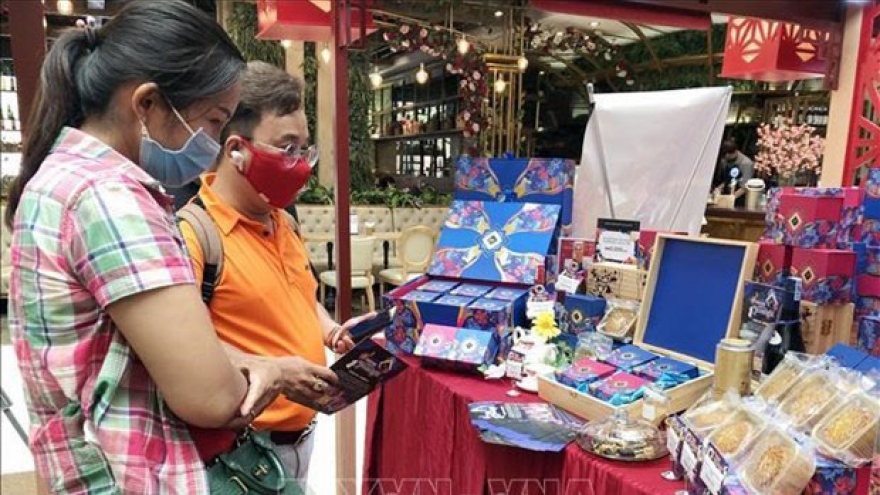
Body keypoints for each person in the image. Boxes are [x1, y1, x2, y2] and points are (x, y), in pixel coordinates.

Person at [4, 2, 295, 492]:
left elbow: (119, 345)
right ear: (147, 104)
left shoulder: (59, 178)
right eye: (210, 121)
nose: (212, 144)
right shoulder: (112, 198)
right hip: (135, 475)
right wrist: (268, 376)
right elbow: (211, 398)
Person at [178, 61, 374, 486]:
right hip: (245, 451)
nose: (301, 164)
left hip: (303, 435)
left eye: (305, 149)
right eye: (288, 149)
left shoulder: (284, 221)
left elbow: (300, 295)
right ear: (236, 149)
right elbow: (178, 349)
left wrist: (331, 331)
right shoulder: (194, 236)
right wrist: (275, 370)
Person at [713, 138, 755, 204]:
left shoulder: (746, 163)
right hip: (727, 194)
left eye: (729, 156)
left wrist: (731, 198)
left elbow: (745, 187)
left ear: (735, 151)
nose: (726, 158)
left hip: (741, 199)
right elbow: (729, 179)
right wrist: (719, 188)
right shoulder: (724, 160)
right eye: (725, 156)